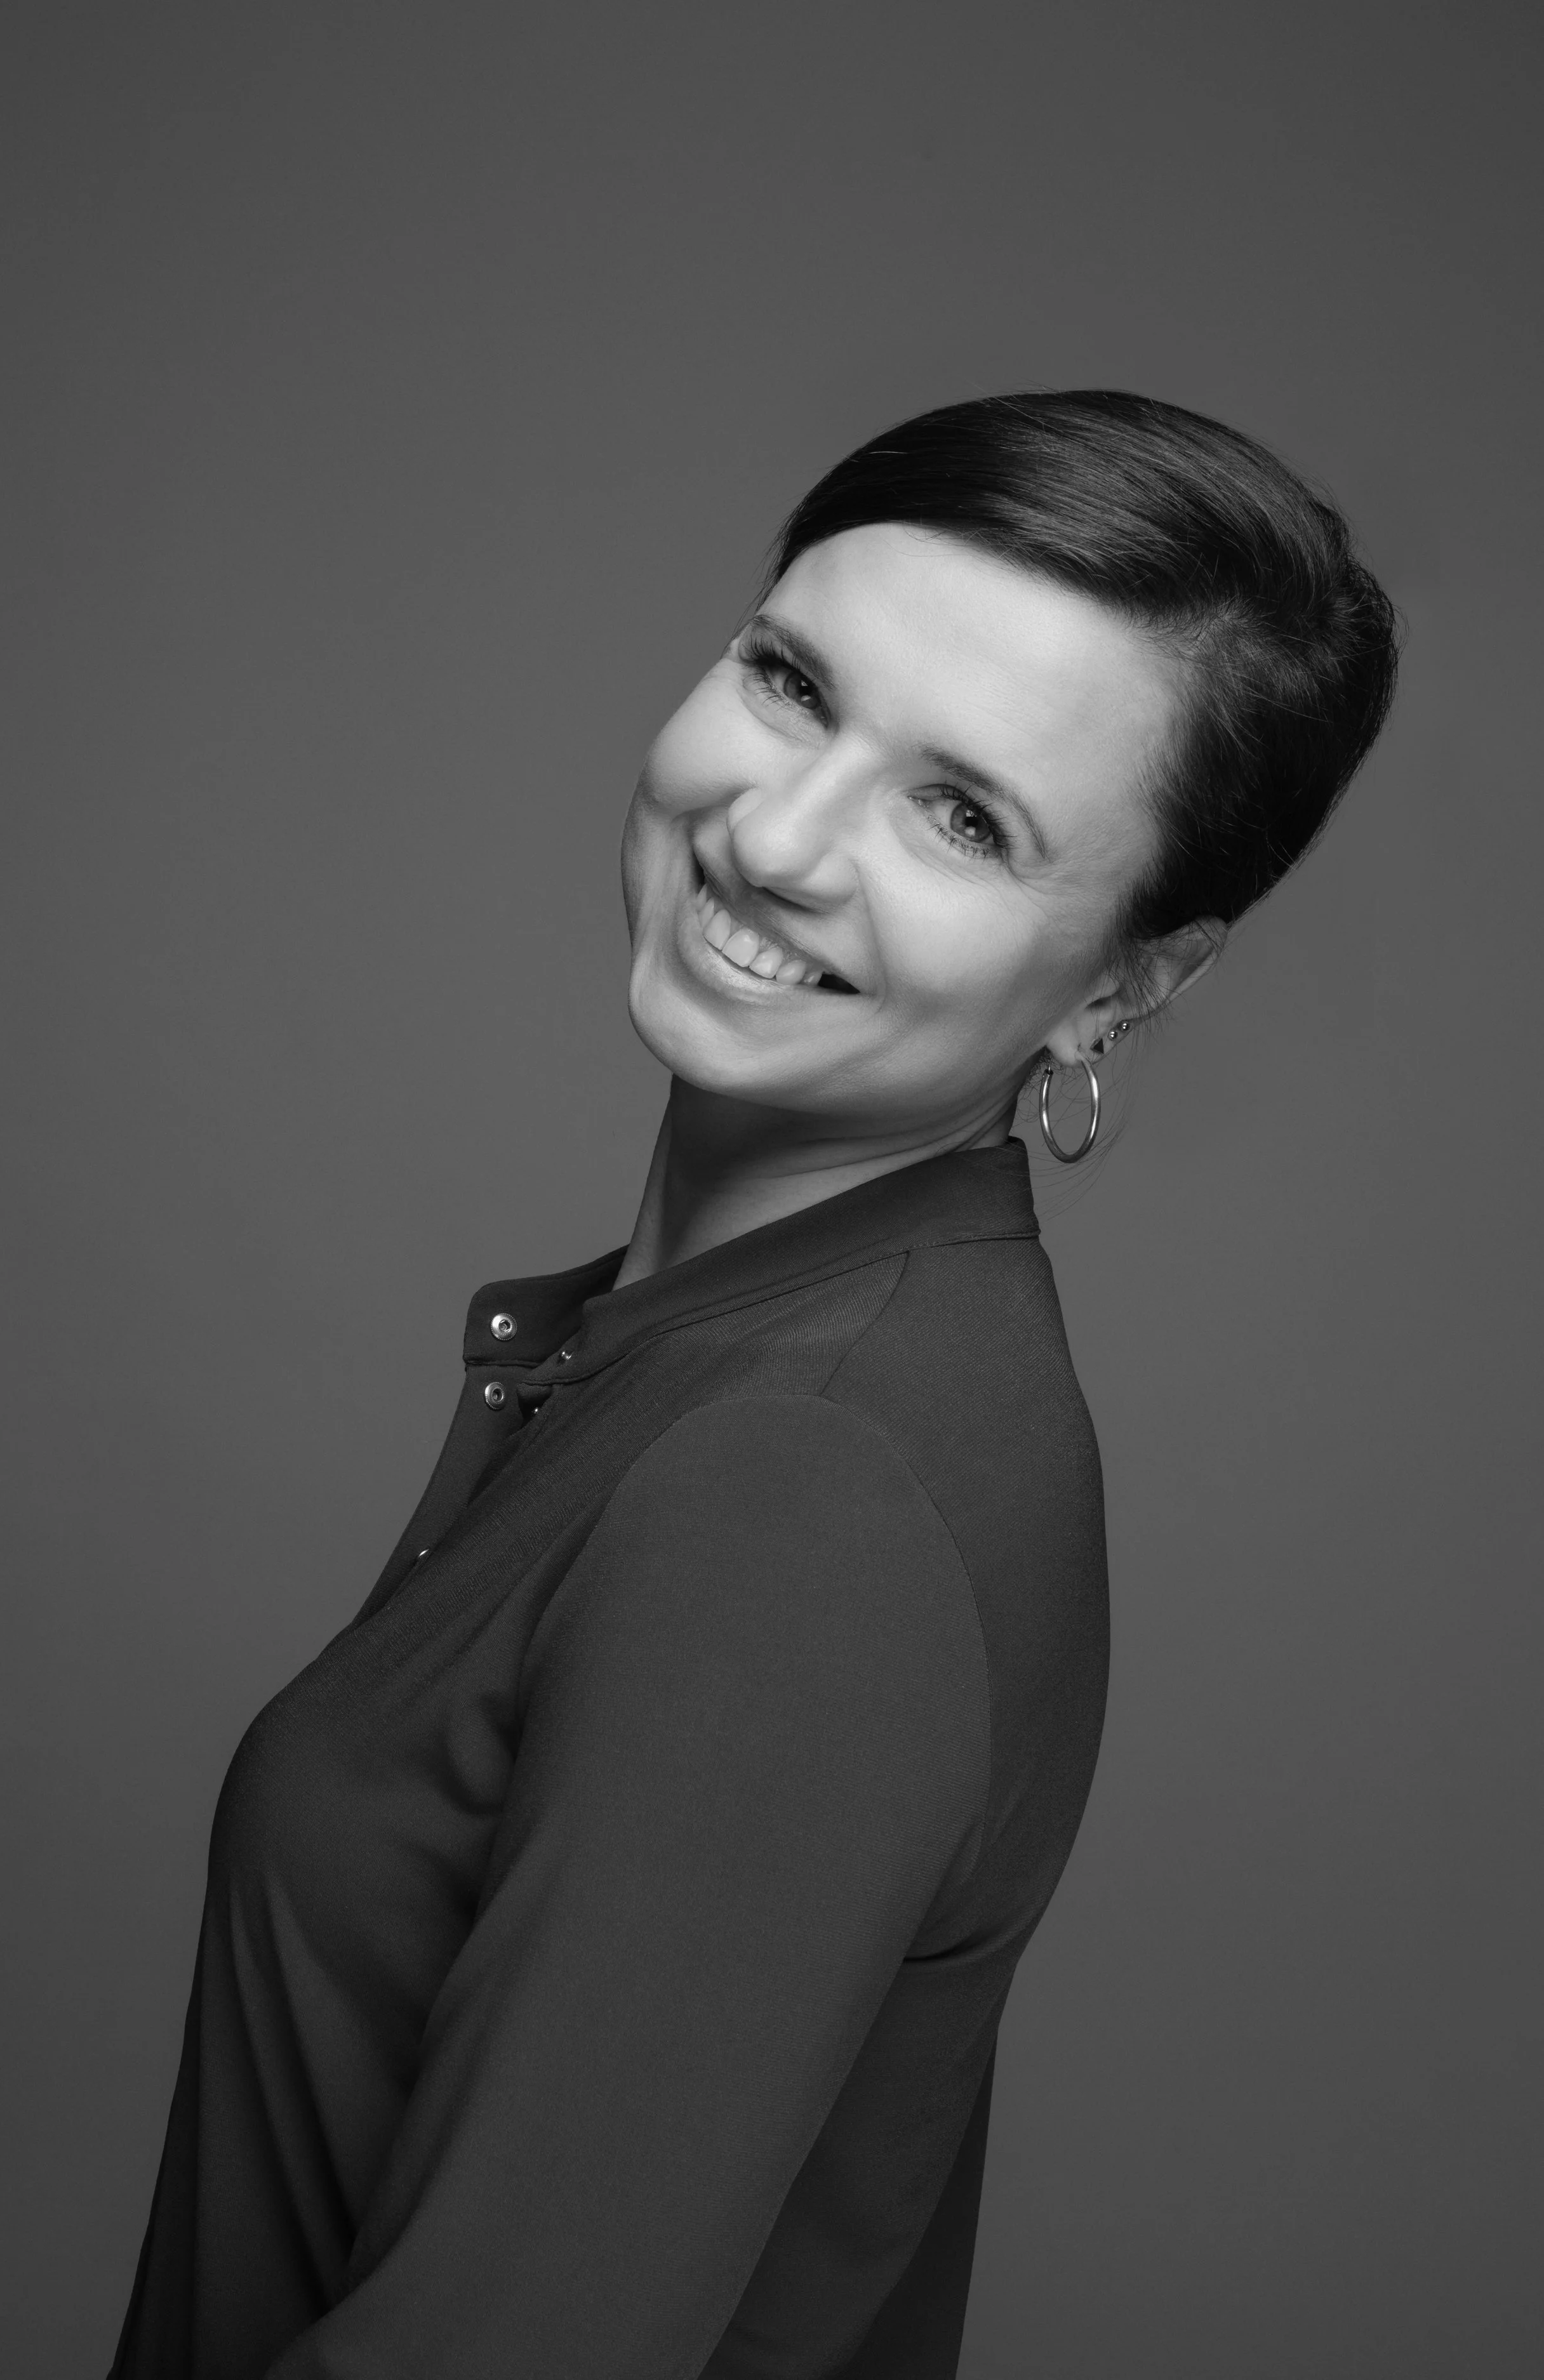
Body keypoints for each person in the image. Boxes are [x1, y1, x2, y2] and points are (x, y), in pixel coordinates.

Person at [109, 391, 1399, 2379]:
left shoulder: (804, 1478)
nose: (775, 837)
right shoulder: (744, 1363)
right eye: (791, 684)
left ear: (1124, 982)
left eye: (962, 818)